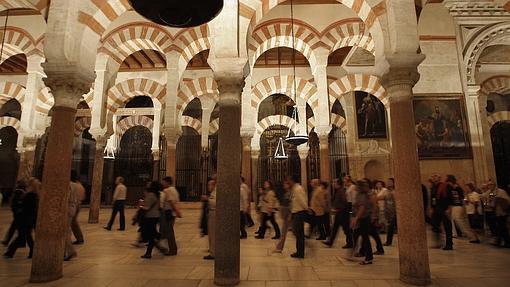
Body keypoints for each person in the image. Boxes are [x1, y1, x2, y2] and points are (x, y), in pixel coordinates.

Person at [3, 178, 39, 259]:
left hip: (25, 219)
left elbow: (26, 208)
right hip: (29, 219)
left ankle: (10, 252)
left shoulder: (30, 195)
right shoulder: (34, 195)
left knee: (21, 236)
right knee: (27, 236)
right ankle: (31, 252)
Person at [323, 178, 353, 248]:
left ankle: (350, 242)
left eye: (334, 183)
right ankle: (331, 241)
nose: (333, 184)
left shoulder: (341, 191)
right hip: (340, 212)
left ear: (338, 184)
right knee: (335, 227)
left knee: (346, 228)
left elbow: (344, 201)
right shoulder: (338, 190)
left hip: (342, 212)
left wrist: (339, 208)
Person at [351, 180, 375, 265]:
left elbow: (362, 208)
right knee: (357, 235)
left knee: (365, 238)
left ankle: (368, 258)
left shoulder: (362, 195)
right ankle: (355, 252)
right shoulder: (363, 194)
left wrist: (356, 218)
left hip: (363, 218)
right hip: (364, 218)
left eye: (356, 185)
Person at [449, 177, 480, 243]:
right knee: (463, 223)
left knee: (463, 223)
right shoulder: (454, 189)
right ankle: (473, 237)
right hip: (461, 207)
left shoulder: (459, 188)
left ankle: (473, 237)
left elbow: (464, 197)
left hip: (462, 207)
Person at [160, 176, 181, 256]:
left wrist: (177, 211)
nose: (162, 183)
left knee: (169, 232)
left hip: (168, 213)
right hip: (171, 213)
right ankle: (168, 248)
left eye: (163, 182)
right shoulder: (174, 189)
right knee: (167, 231)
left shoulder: (168, 190)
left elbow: (172, 202)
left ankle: (172, 249)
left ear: (167, 182)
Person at [431, 176, 454, 250]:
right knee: (435, 225)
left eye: (435, 176)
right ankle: (439, 242)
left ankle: (449, 244)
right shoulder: (433, 187)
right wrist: (432, 208)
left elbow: (451, 197)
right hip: (436, 209)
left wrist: (449, 208)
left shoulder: (446, 186)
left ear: (439, 178)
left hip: (444, 208)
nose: (434, 178)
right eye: (433, 176)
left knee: (447, 226)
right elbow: (433, 198)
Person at [140, 181, 161, 259]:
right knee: (152, 234)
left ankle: (149, 252)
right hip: (155, 216)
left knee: (150, 235)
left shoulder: (151, 195)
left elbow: (147, 207)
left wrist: (141, 206)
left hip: (150, 217)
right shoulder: (157, 194)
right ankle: (152, 250)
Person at [485, 181, 510, 248]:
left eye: (491, 184)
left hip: (501, 212)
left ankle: (507, 241)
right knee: (498, 227)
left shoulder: (501, 191)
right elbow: (487, 200)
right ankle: (499, 241)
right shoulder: (489, 192)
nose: (489, 186)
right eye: (488, 185)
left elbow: (507, 200)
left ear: (494, 185)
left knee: (503, 227)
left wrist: (498, 200)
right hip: (494, 212)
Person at [288, 176, 308, 258]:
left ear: (292, 180)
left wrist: (306, 208)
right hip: (297, 213)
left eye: (289, 180)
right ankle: (299, 251)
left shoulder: (297, 189)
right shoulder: (295, 188)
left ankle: (300, 252)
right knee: (298, 233)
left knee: (298, 233)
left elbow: (301, 200)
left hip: (299, 213)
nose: (288, 182)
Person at [1, 181, 25, 246]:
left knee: (15, 228)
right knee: (19, 229)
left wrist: (16, 210)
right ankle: (22, 242)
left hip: (18, 214)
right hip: (19, 214)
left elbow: (15, 203)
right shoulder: (21, 192)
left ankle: (8, 241)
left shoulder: (19, 192)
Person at [65, 176, 81, 261]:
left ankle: (70, 251)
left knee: (64, 231)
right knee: (67, 229)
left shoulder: (68, 184)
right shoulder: (76, 185)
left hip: (67, 206)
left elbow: (66, 196)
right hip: (73, 206)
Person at [274, 181, 292, 253]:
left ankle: (279, 248)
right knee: (284, 231)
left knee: (285, 231)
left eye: (286, 183)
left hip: (289, 215)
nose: (284, 185)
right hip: (287, 215)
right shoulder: (287, 193)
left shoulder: (291, 193)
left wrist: (290, 214)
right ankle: (279, 247)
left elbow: (291, 204)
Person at [380, 178, 396, 246]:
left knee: (391, 226)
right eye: (388, 182)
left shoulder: (395, 191)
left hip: (396, 211)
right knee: (390, 227)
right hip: (389, 211)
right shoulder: (386, 191)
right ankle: (388, 241)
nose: (388, 183)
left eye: (390, 182)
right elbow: (381, 197)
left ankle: (388, 242)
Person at [71, 170, 85, 245]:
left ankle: (79, 238)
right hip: (77, 205)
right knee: (74, 222)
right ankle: (79, 237)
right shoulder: (80, 186)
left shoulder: (74, 185)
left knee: (73, 222)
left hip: (74, 205)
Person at [204, 178, 216, 260]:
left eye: (210, 184)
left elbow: (216, 203)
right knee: (211, 234)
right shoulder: (212, 193)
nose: (208, 186)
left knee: (213, 233)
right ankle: (212, 250)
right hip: (211, 213)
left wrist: (207, 200)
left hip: (214, 213)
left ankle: (213, 253)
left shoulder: (216, 192)